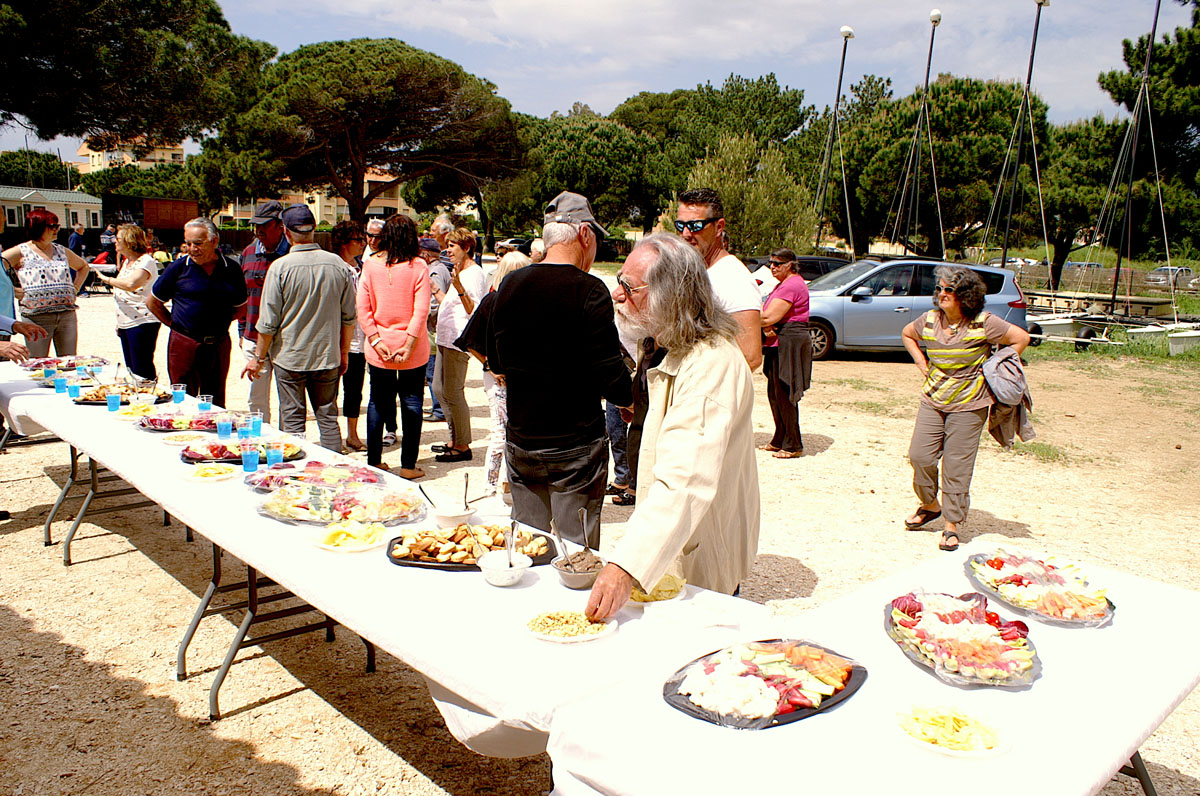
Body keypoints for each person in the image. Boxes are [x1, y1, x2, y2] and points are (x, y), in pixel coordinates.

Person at [587, 234, 759, 620]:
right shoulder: (665, 343)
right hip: (676, 537)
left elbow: (686, 479)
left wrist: (625, 566)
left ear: (670, 296)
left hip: (700, 549)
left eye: (629, 288)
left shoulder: (711, 364)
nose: (617, 295)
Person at [486, 191, 632, 547]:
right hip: (575, 445)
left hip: (522, 440)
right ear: (584, 234)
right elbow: (609, 370)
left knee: (528, 547)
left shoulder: (510, 283)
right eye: (595, 237)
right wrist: (628, 399)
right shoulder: (591, 290)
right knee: (575, 554)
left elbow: (497, 359)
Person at [900, 266, 1031, 552]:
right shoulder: (929, 319)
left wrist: (998, 367)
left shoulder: (984, 323)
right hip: (933, 399)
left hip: (970, 405)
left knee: (957, 466)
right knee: (919, 456)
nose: (942, 294)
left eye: (949, 290)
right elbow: (907, 334)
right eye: (940, 289)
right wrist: (922, 364)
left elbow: (1022, 338)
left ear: (966, 296)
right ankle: (930, 505)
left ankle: (951, 525)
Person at [243, 205, 356, 453]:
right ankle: (333, 471)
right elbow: (349, 317)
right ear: (313, 229)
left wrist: (258, 358)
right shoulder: (337, 264)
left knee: (293, 420)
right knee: (327, 418)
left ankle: (296, 475)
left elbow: (268, 322)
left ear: (286, 232)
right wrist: (344, 352)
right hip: (327, 355)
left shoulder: (280, 268)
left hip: (290, 358)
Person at [355, 214, 430, 477]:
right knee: (412, 402)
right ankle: (408, 465)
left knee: (377, 401)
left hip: (379, 347)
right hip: (412, 348)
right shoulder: (418, 266)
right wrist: (409, 343)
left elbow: (363, 308)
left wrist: (375, 339)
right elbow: (421, 311)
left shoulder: (370, 265)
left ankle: (374, 460)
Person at [146, 218, 247, 406]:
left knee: (215, 401)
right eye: (188, 243)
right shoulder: (177, 268)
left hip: (218, 344)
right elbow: (153, 303)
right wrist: (176, 325)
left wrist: (218, 322)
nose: (192, 249)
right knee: (183, 399)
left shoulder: (231, 269)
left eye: (198, 244)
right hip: (184, 344)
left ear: (214, 241)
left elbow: (241, 308)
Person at [455, 250, 531, 497]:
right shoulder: (492, 301)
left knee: (520, 432)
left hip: (522, 377)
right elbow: (468, 340)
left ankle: (511, 482)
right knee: (500, 433)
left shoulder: (531, 303)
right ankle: (490, 486)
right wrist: (489, 365)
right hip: (499, 377)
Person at [675, 188, 763, 371]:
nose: (685, 234)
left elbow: (750, 357)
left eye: (695, 226)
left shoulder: (734, 280)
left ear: (719, 227)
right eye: (680, 225)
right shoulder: (695, 272)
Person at [431, 227, 486, 462]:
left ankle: (462, 445)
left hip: (457, 340)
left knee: (453, 391)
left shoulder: (474, 274)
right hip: (445, 338)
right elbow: (451, 303)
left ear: (467, 248)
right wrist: (436, 291)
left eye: (452, 246)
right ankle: (455, 438)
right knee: (438, 389)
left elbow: (474, 310)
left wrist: (460, 287)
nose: (447, 250)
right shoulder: (458, 271)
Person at [1, 209, 89, 358]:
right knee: (36, 362)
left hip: (66, 315)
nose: (57, 230)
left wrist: (75, 287)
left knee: (68, 361)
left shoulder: (61, 251)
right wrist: (13, 290)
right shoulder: (21, 251)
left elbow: (83, 266)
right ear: (38, 227)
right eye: (52, 226)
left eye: (57, 226)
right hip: (36, 317)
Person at [239, 200, 290, 424]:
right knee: (256, 399)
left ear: (280, 226)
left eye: (264, 225)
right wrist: (242, 331)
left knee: (288, 400)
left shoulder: (292, 254)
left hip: (286, 341)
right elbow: (242, 296)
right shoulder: (248, 253)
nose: (258, 230)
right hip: (252, 337)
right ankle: (261, 440)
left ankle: (287, 444)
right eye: (255, 225)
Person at [759, 248, 812, 459]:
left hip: (789, 340)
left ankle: (793, 444)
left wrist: (764, 323)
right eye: (770, 262)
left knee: (785, 391)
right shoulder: (782, 284)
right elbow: (767, 316)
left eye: (777, 263)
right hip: (778, 340)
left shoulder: (792, 284)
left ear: (790, 265)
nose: (772, 267)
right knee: (774, 392)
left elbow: (768, 316)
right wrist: (765, 326)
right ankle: (779, 437)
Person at [94, 224, 161, 381]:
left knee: (141, 367)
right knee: (131, 367)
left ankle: (150, 397)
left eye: (118, 239)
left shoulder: (146, 261)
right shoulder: (127, 262)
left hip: (142, 321)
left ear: (129, 241)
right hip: (126, 321)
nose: (114, 242)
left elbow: (132, 284)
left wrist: (107, 279)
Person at [331, 220, 368, 451]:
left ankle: (353, 434)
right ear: (344, 242)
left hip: (359, 339)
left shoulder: (364, 267)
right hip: (335, 338)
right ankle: (333, 435)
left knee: (354, 390)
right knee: (330, 391)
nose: (363, 244)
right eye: (358, 240)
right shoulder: (332, 267)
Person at [418, 236, 450, 423]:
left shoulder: (434, 272)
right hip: (435, 328)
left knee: (432, 372)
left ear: (425, 254)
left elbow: (434, 303)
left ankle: (439, 409)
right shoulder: (441, 269)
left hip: (432, 328)